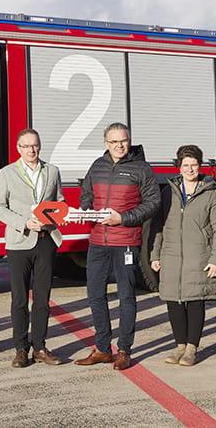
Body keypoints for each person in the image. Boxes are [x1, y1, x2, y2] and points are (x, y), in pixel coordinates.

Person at [75, 122, 160, 371]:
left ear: (129, 140)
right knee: (95, 295)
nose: (119, 145)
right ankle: (103, 348)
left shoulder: (142, 168)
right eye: (114, 142)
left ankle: (124, 350)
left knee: (126, 297)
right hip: (97, 242)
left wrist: (123, 218)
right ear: (106, 143)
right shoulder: (98, 165)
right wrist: (85, 208)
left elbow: (152, 203)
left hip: (125, 242)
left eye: (123, 141)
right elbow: (86, 192)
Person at [150, 145, 216, 366]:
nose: (190, 169)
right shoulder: (168, 193)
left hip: (199, 256)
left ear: (200, 165)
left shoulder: (212, 193)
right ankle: (179, 347)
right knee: (174, 302)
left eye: (194, 164)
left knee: (195, 302)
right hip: (172, 256)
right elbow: (159, 226)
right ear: (179, 166)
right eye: (185, 165)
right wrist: (155, 254)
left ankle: (192, 349)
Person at [0, 128, 66, 367]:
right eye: (26, 146)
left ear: (40, 146)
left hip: (45, 241)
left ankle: (40, 347)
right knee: (19, 300)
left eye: (35, 146)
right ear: (18, 148)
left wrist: (50, 219)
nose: (31, 150)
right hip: (19, 242)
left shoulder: (52, 171)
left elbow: (60, 202)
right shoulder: (7, 173)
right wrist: (24, 222)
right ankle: (21, 349)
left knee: (43, 298)